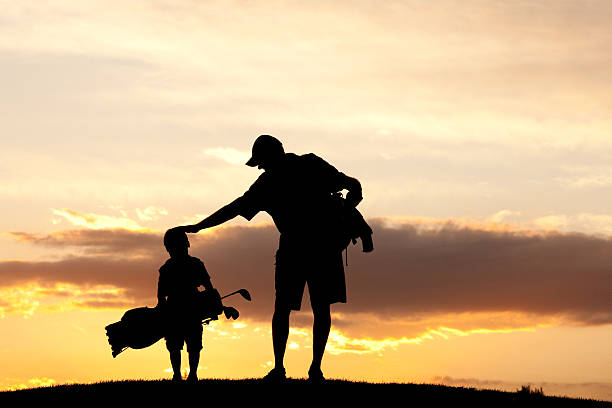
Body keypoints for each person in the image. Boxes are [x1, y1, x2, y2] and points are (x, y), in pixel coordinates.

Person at [178, 135, 368, 382]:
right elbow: (354, 186)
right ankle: (305, 370)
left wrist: (199, 227)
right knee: (311, 309)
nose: (260, 167)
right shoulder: (306, 166)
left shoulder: (272, 181)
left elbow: (234, 208)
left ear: (271, 156)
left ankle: (294, 369)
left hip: (305, 248)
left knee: (297, 309)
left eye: (261, 162)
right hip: (316, 248)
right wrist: (346, 211)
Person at [157, 228, 216, 382]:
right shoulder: (193, 264)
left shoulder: (167, 268)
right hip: (188, 308)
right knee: (185, 344)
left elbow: (161, 297)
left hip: (180, 309)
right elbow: (209, 288)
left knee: (184, 344)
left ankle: (185, 375)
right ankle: (186, 375)